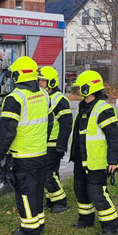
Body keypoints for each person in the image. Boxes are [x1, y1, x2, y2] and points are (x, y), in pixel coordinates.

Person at [0, 56, 50, 235]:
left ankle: (29, 229)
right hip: (41, 152)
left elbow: (7, 132)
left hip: (23, 155)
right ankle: (38, 223)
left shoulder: (15, 98)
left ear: (17, 75)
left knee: (25, 192)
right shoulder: (44, 94)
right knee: (37, 190)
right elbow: (48, 122)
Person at [69, 70, 118, 235]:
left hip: (96, 161)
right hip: (81, 160)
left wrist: (113, 161)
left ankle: (111, 227)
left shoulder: (103, 109)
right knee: (80, 191)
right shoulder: (83, 107)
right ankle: (85, 220)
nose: (77, 91)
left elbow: (113, 137)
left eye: (80, 87)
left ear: (88, 88)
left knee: (97, 193)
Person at [38, 66, 71, 213]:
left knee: (48, 174)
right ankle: (51, 200)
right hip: (43, 143)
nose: (40, 82)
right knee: (49, 174)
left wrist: (61, 145)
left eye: (43, 80)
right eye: (39, 80)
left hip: (54, 143)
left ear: (51, 82)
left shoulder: (60, 100)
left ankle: (60, 202)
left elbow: (66, 125)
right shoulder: (42, 97)